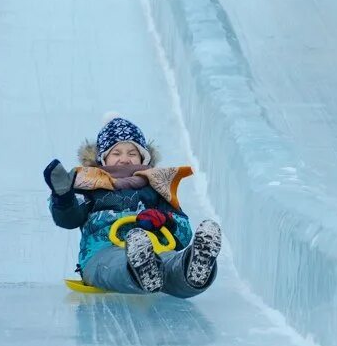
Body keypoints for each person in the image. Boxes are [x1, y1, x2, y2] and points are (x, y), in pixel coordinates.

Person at [45, 116, 222, 297]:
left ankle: (192, 268)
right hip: (102, 251)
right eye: (116, 153)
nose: (124, 159)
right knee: (114, 265)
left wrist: (166, 221)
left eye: (132, 153)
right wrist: (63, 197)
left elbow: (184, 234)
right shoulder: (89, 186)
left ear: (143, 158)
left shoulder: (156, 187)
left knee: (169, 262)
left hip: (154, 246)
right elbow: (69, 219)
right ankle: (141, 268)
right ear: (103, 158)